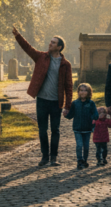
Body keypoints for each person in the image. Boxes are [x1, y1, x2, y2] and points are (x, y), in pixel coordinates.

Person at [12, 26, 73, 166]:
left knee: (55, 130)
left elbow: (68, 86)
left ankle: (54, 158)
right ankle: (45, 157)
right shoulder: (41, 57)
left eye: (53, 43)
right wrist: (18, 36)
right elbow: (28, 48)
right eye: (50, 42)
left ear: (59, 47)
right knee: (42, 130)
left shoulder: (65, 64)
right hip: (42, 101)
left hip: (56, 102)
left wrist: (68, 106)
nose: (49, 44)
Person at [65, 83, 98, 169]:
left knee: (86, 146)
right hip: (77, 128)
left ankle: (85, 160)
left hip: (87, 128)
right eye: (81, 90)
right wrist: (66, 114)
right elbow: (70, 115)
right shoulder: (75, 103)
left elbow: (95, 114)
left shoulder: (91, 103)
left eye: (85, 90)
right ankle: (79, 160)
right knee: (79, 145)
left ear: (89, 92)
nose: (83, 92)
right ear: (78, 92)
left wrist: (94, 117)